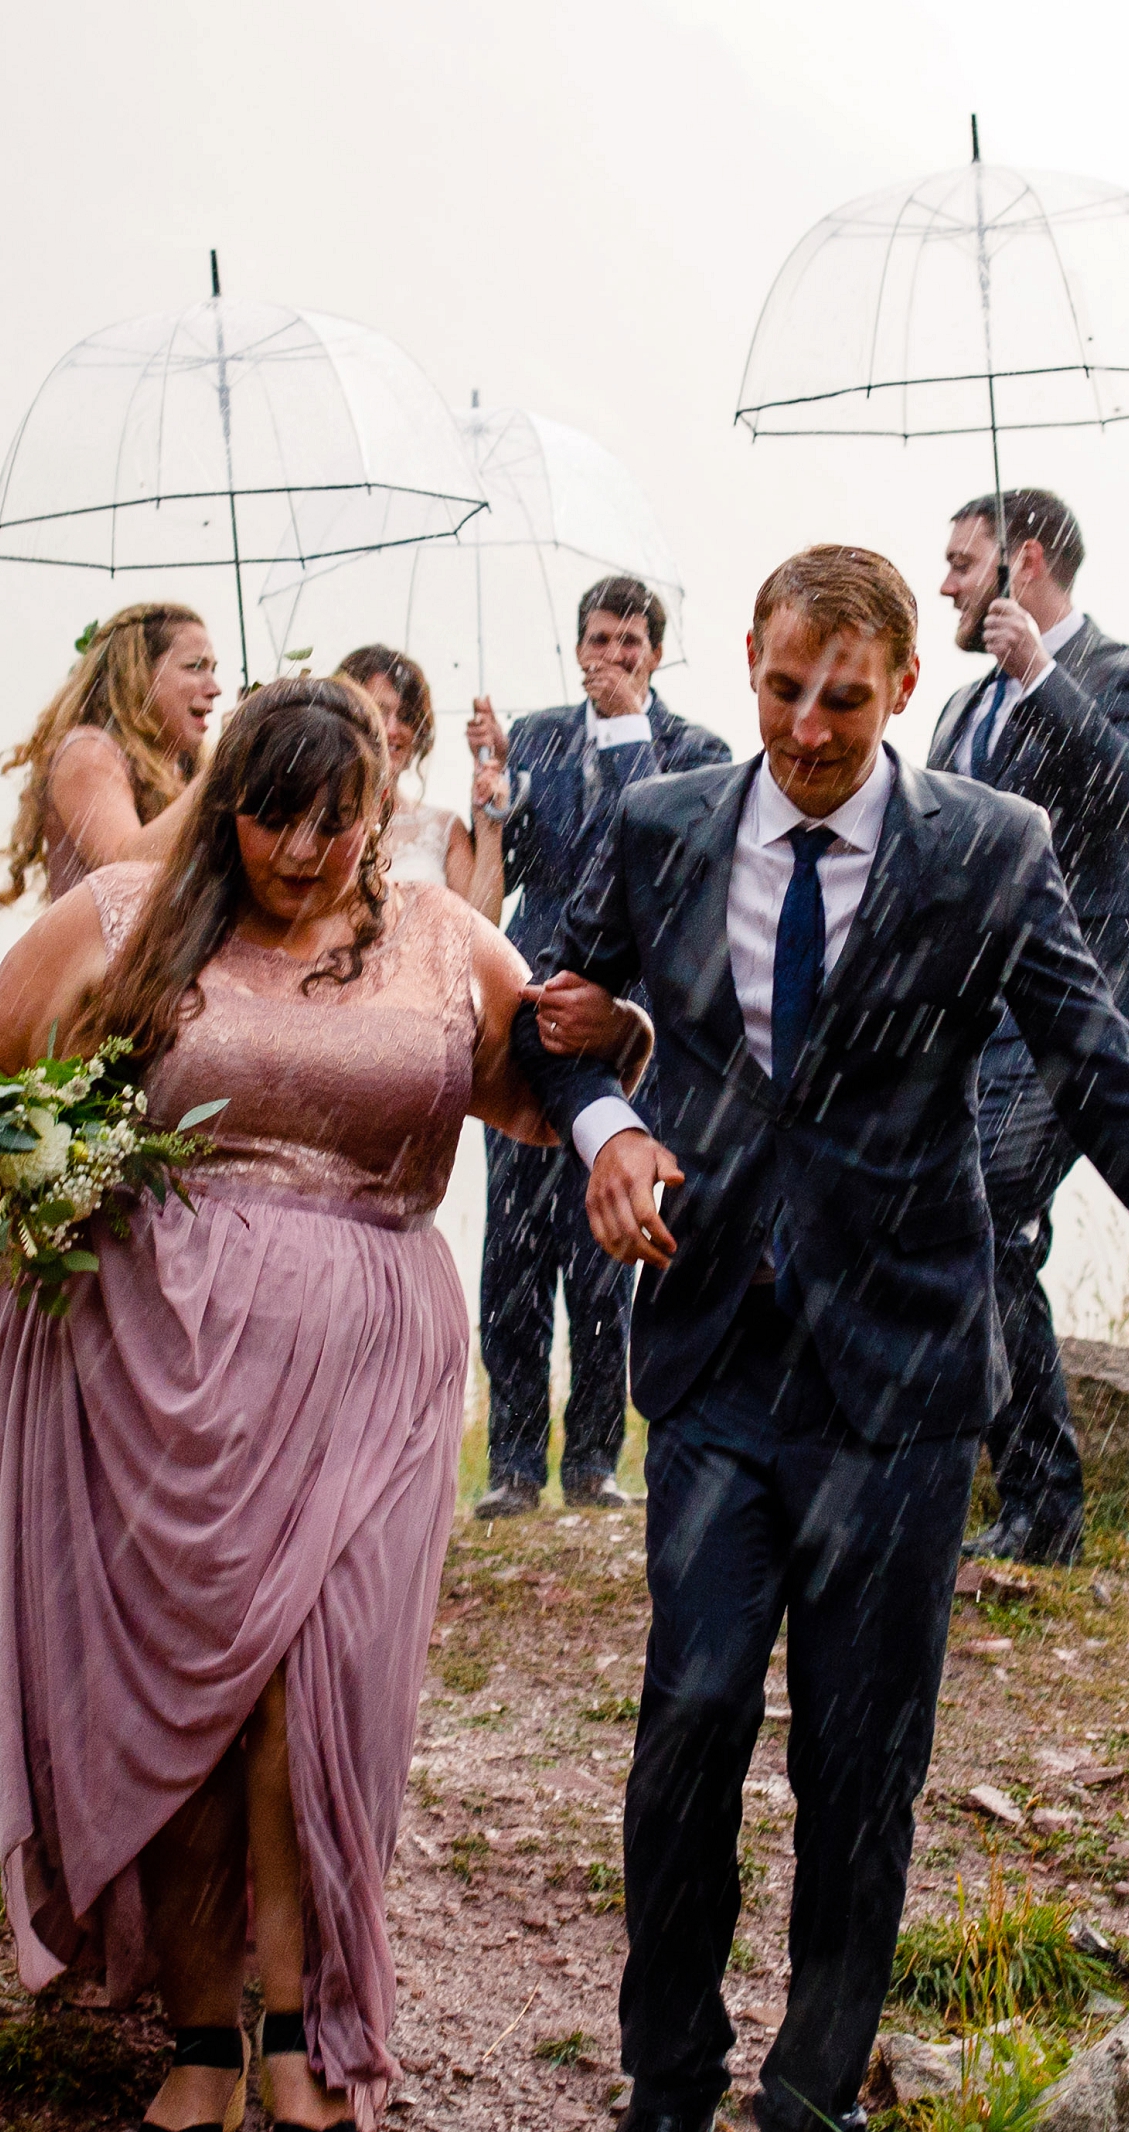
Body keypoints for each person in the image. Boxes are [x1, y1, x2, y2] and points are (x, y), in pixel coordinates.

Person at [511, 546, 1129, 2132]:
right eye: (786, 686)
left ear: (894, 694)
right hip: (718, 1360)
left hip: (900, 1377)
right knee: (689, 1732)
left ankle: (810, 2130)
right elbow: (548, 1020)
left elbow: (1108, 1083)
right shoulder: (655, 827)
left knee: (860, 1767)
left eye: (845, 699)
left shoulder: (986, 851)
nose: (806, 728)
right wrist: (606, 1129)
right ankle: (661, 2102)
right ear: (751, 657)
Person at [0, 677, 562, 2132]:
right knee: (194, 1700)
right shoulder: (131, 919)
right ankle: (204, 2036)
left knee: (319, 1688)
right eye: (273, 814)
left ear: (376, 815)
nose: (302, 846)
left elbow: (529, 1098)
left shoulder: (433, 931)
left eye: (334, 820)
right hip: (157, 1371)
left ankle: (306, 2019)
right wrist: (6, 1197)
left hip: (372, 1372)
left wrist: (596, 1048)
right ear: (228, 807)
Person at [0, 603, 224, 1491]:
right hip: (80, 1033)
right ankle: (32, 1464)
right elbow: (126, 866)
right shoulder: (90, 755)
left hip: (161, 1028)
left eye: (217, 668)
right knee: (82, 1252)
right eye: (194, 666)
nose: (214, 685)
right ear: (136, 673)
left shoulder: (183, 766)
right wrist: (220, 776)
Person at [927, 488, 1129, 1567]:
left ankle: (1045, 1506)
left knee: (986, 1216)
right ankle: (1015, 1493)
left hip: (1084, 1007)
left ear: (1022, 562)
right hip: (970, 1016)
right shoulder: (951, 713)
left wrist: (1042, 675)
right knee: (968, 1228)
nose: (942, 580)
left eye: (960, 560)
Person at [461, 576, 731, 1521]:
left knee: (606, 1248)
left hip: (631, 1028)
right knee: (514, 1252)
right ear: (575, 646)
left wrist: (626, 741)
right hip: (530, 1014)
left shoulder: (698, 752)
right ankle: (512, 1463)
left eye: (629, 642)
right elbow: (502, 877)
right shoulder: (531, 737)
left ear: (657, 653)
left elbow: (665, 855)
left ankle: (595, 1463)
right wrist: (492, 798)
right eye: (597, 640)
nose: (611, 657)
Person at [334, 644, 507, 917]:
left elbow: (480, 931)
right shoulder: (316, 822)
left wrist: (488, 828)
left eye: (405, 717)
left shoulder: (445, 829)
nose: (392, 729)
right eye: (378, 712)